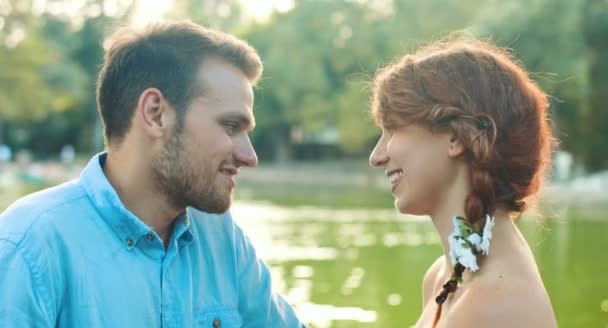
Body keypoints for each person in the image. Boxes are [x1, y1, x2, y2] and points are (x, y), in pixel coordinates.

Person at [0, 21, 305, 327]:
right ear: (155, 113)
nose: (249, 156)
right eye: (230, 126)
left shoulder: (222, 240)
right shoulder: (29, 247)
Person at [368, 37, 558, 327]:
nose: (376, 156)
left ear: (456, 138)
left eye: (392, 129)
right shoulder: (442, 277)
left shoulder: (494, 306)